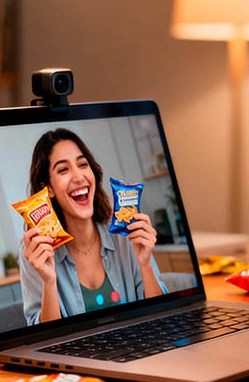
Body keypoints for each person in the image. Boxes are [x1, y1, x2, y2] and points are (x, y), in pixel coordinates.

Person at [20, 128, 166, 325]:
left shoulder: (125, 234)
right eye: (63, 169)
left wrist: (145, 264)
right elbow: (42, 339)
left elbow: (160, 318)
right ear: (48, 188)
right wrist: (49, 281)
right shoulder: (36, 251)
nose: (79, 176)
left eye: (83, 164)